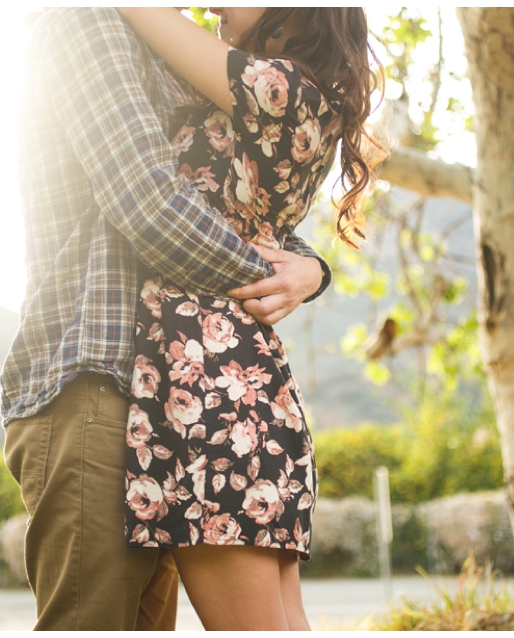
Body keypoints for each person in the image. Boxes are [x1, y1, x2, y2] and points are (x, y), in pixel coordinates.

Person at [0, 7, 335, 632]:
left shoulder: (180, 47)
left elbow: (234, 203)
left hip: (176, 402)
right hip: (95, 384)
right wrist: (281, 275)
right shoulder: (90, 21)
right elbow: (150, 203)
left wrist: (310, 268)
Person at [115, 7, 383, 631]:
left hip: (206, 391)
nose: (212, 6)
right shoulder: (301, 94)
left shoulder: (276, 86)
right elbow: (278, 236)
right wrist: (315, 269)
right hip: (246, 386)